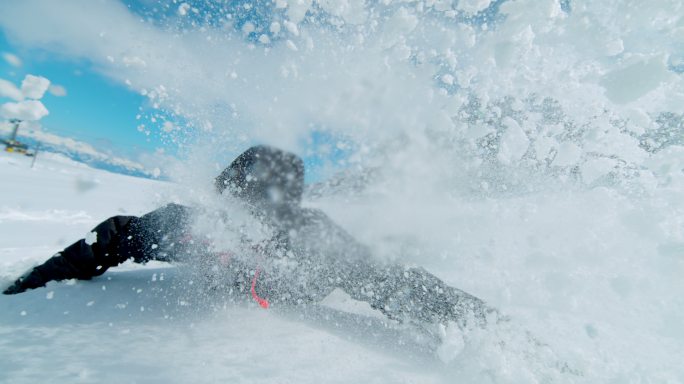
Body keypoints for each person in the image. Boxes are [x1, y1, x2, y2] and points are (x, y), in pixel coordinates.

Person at [3, 146, 493, 327]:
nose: (243, 218)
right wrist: (25, 289)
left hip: (298, 293)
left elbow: (394, 282)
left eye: (263, 207)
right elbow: (111, 238)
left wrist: (487, 334)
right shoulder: (189, 228)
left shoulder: (316, 241)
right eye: (233, 201)